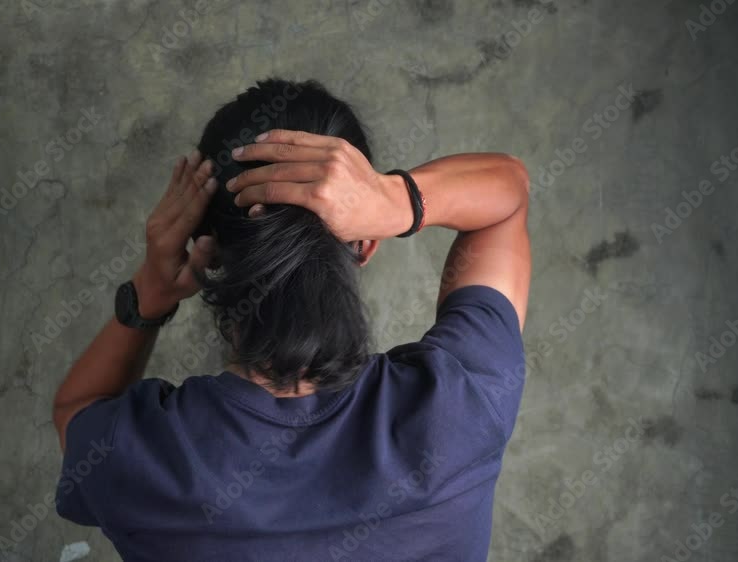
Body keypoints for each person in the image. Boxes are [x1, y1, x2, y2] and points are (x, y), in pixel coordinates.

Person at [51, 78, 531, 561]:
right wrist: (394, 199)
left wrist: (150, 294)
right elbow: (507, 192)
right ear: (366, 244)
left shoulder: (138, 460)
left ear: (206, 252)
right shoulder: (458, 409)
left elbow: (77, 408)